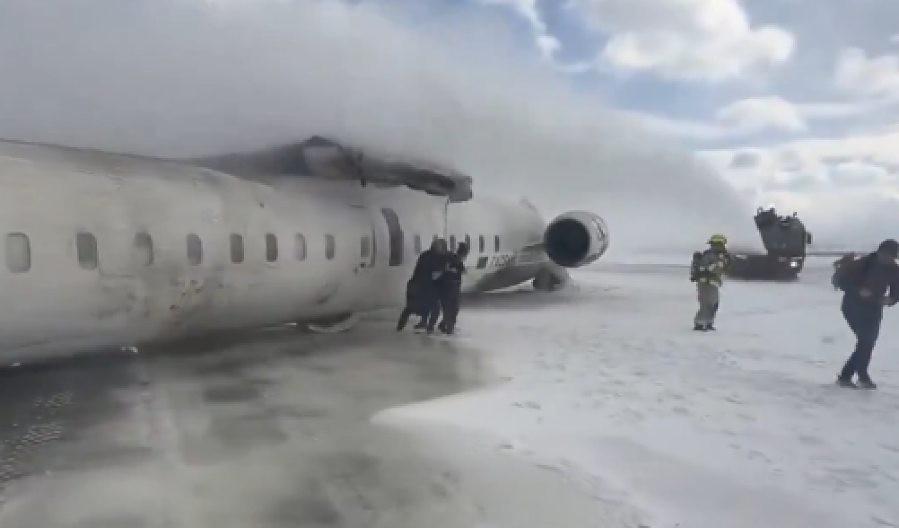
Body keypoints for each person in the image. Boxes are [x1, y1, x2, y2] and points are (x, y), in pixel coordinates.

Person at [832, 239, 899, 389]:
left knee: (867, 342)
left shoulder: (894, 269)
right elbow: (843, 283)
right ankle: (861, 375)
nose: (889, 260)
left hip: (874, 307)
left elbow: (897, 290)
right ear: (880, 252)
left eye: (892, 257)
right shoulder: (864, 264)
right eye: (886, 256)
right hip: (852, 306)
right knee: (866, 340)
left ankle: (847, 376)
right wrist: (858, 291)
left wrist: (891, 300)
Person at [396, 238, 447, 333]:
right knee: (434, 308)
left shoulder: (424, 255)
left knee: (410, 308)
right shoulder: (438, 258)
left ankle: (400, 326)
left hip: (418, 285)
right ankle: (430, 327)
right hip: (427, 287)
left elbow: (419, 270)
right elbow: (435, 274)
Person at [692, 234, 730, 331]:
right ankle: (699, 323)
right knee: (706, 304)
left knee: (714, 304)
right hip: (706, 283)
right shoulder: (709, 255)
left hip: (713, 283)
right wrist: (718, 264)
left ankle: (709, 322)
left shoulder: (720, 256)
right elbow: (705, 268)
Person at [437, 241, 469, 334]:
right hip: (448, 288)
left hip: (453, 288)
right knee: (451, 308)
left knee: (452, 309)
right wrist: (450, 270)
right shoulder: (451, 259)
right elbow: (445, 270)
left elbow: (461, 270)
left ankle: (445, 325)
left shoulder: (457, 261)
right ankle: (448, 327)